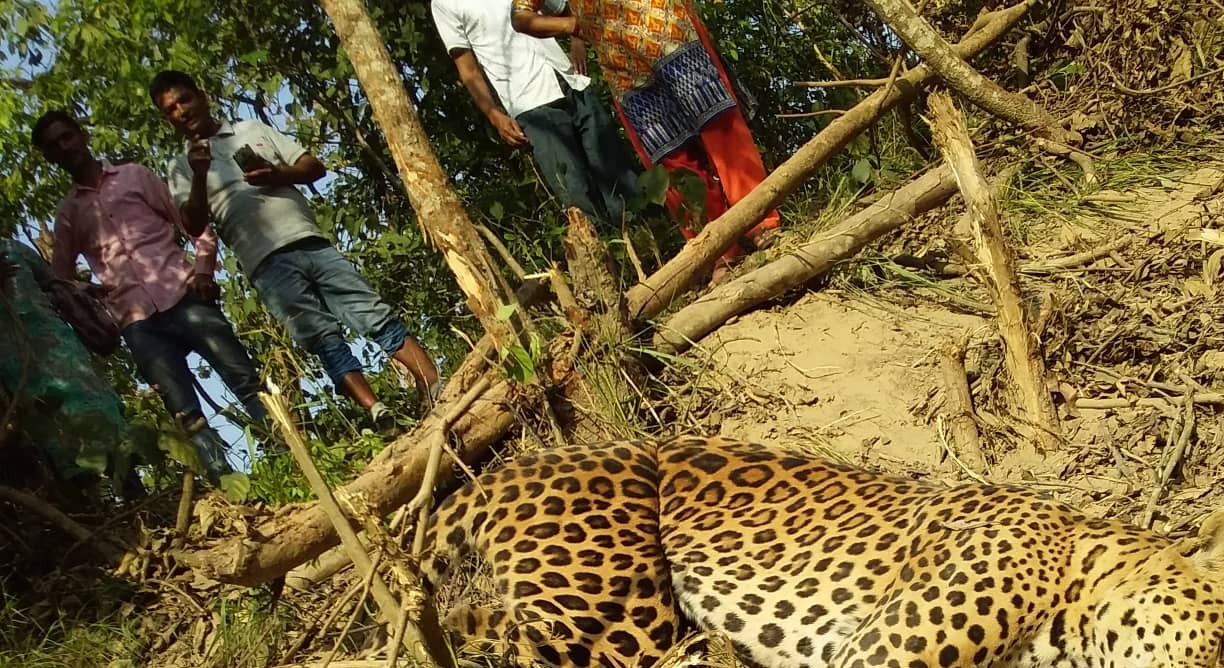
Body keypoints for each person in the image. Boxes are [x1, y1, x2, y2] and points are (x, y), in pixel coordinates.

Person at [149, 70, 441, 419]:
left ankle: (436, 387)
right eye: (170, 109)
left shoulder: (250, 130)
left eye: (184, 100)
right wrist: (199, 174)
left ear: (202, 96)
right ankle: (378, 412)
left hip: (309, 239)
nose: (181, 111)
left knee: (371, 312)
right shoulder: (179, 167)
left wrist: (278, 175)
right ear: (167, 119)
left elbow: (313, 166)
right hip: (264, 263)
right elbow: (194, 224)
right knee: (321, 338)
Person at [32, 108, 261, 478]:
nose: (65, 147)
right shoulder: (68, 215)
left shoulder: (134, 176)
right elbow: (61, 280)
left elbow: (193, 227)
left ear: (82, 135)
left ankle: (293, 454)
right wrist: (92, 292)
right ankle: (231, 485)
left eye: (67, 136)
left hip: (183, 295)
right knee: (185, 413)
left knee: (245, 380)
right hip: (136, 322)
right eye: (54, 146)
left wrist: (203, 271)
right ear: (50, 158)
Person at [512, 0, 779, 262]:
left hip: (671, 30)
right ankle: (718, 253)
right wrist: (571, 25)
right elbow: (521, 16)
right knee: (671, 155)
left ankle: (761, 221)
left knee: (720, 126)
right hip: (621, 65)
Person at [430, 0, 640, 232]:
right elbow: (469, 71)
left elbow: (565, 8)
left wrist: (578, 42)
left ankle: (648, 244)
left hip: (572, 82)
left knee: (620, 177)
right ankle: (611, 260)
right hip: (531, 103)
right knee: (577, 195)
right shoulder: (445, 4)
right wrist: (494, 114)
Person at [0, 237, 133, 490]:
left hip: (56, 344)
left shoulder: (11, 247)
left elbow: (51, 282)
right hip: (13, 363)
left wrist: (80, 294)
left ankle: (130, 485)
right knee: (46, 426)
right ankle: (90, 501)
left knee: (95, 408)